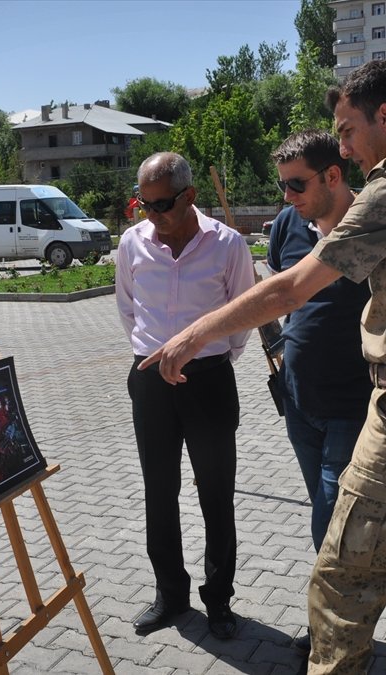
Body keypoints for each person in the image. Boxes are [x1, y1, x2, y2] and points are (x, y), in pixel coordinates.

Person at [140, 61, 386, 675]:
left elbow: (290, 288)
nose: (345, 148)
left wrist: (194, 334)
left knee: (339, 584)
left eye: (348, 130)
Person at [115, 152, 254, 640]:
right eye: (145, 204)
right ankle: (170, 594)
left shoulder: (227, 244)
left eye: (162, 204)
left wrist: (212, 356)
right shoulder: (132, 243)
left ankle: (219, 600)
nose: (153, 214)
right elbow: (127, 309)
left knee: (216, 493)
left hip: (208, 381)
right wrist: (153, 357)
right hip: (151, 381)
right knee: (159, 491)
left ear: (190, 195)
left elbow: (243, 312)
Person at [265, 130, 372, 652]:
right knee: (323, 515)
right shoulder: (290, 222)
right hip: (298, 402)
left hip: (351, 405)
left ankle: (335, 638)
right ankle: (339, 628)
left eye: (297, 184)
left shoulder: (370, 223)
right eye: (282, 185)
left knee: (332, 521)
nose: (288, 196)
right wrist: (279, 350)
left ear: (333, 175)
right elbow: (278, 287)